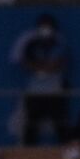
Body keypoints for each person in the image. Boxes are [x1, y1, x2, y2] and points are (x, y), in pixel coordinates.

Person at [20, 14, 69, 145]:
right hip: (35, 93)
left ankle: (68, 154)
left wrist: (38, 66)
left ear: (54, 29)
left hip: (54, 92)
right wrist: (45, 66)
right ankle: (27, 154)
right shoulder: (30, 45)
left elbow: (58, 64)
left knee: (61, 127)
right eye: (42, 27)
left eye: (48, 27)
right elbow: (25, 63)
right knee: (30, 128)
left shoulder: (60, 45)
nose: (45, 30)